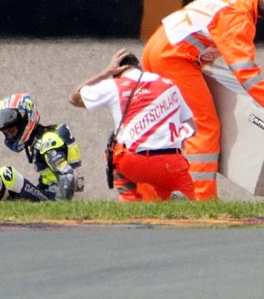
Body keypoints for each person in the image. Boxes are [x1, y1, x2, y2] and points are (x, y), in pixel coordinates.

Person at [141, 0, 264, 200]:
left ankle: (151, 192)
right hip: (174, 58)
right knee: (204, 127)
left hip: (159, 47)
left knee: (166, 126)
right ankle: (201, 198)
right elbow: (245, 69)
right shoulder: (240, 15)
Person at [69, 48, 197, 202]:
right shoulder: (169, 85)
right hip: (172, 163)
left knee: (113, 148)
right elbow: (191, 127)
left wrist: (106, 73)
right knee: (195, 211)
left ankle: (130, 199)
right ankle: (170, 201)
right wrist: (170, 142)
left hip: (134, 163)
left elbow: (74, 98)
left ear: (117, 71)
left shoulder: (114, 85)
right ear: (139, 66)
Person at [0, 93, 84, 202]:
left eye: (11, 130)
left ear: (26, 121)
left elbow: (67, 175)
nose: (10, 136)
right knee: (6, 193)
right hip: (49, 195)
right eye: (6, 132)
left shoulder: (47, 142)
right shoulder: (41, 139)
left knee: (6, 175)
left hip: (55, 200)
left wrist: (60, 212)